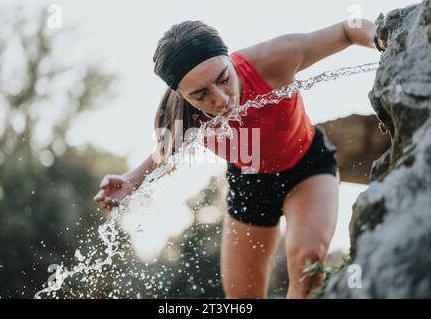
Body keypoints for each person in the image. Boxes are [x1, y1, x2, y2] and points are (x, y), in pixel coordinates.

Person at [94, 18, 386, 299]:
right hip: (250, 187)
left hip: (308, 168)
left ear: (229, 60)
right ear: (182, 96)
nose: (220, 99)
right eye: (200, 94)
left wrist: (379, 38)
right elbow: (164, 153)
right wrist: (130, 181)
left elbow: (349, 29)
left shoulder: (274, 58)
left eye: (223, 78)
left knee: (308, 270)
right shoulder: (183, 116)